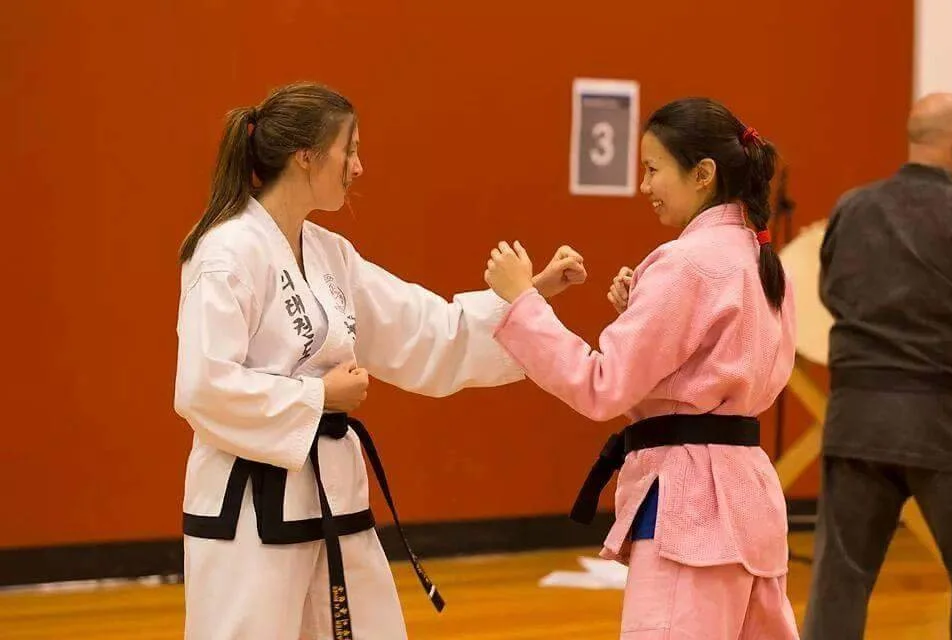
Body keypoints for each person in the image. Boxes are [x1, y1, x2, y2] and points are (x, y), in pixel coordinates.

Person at [173, 81, 586, 640]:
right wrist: (319, 397)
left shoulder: (330, 254)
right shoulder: (225, 253)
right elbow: (204, 386)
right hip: (249, 511)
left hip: (332, 498)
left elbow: (427, 331)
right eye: (350, 149)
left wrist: (524, 303)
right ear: (306, 157)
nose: (359, 166)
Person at [482, 97, 800, 638]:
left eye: (653, 170)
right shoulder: (762, 262)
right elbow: (712, 370)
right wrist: (642, 314)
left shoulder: (686, 263)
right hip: (750, 503)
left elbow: (600, 386)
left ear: (702, 174)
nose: (644, 185)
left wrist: (523, 302)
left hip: (689, 507)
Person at [801, 92, 952, 640]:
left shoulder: (852, 207)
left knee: (839, 584)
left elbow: (832, 293)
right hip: (945, 425)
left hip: (855, 423)